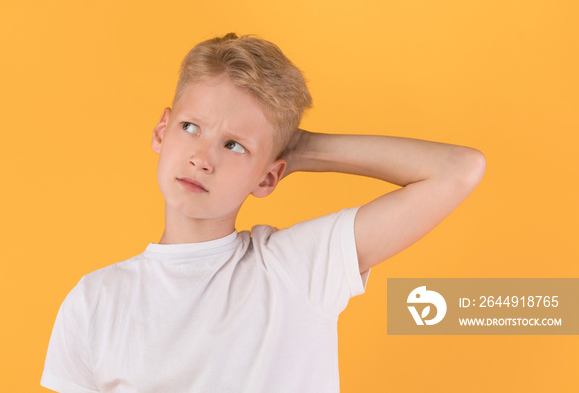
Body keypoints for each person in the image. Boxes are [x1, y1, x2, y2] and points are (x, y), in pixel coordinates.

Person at [41, 33, 486, 393]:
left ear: (268, 179)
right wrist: (259, 148)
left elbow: (459, 170)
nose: (202, 157)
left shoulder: (296, 267)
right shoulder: (95, 299)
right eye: (191, 127)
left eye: (234, 145)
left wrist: (299, 148)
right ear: (162, 130)